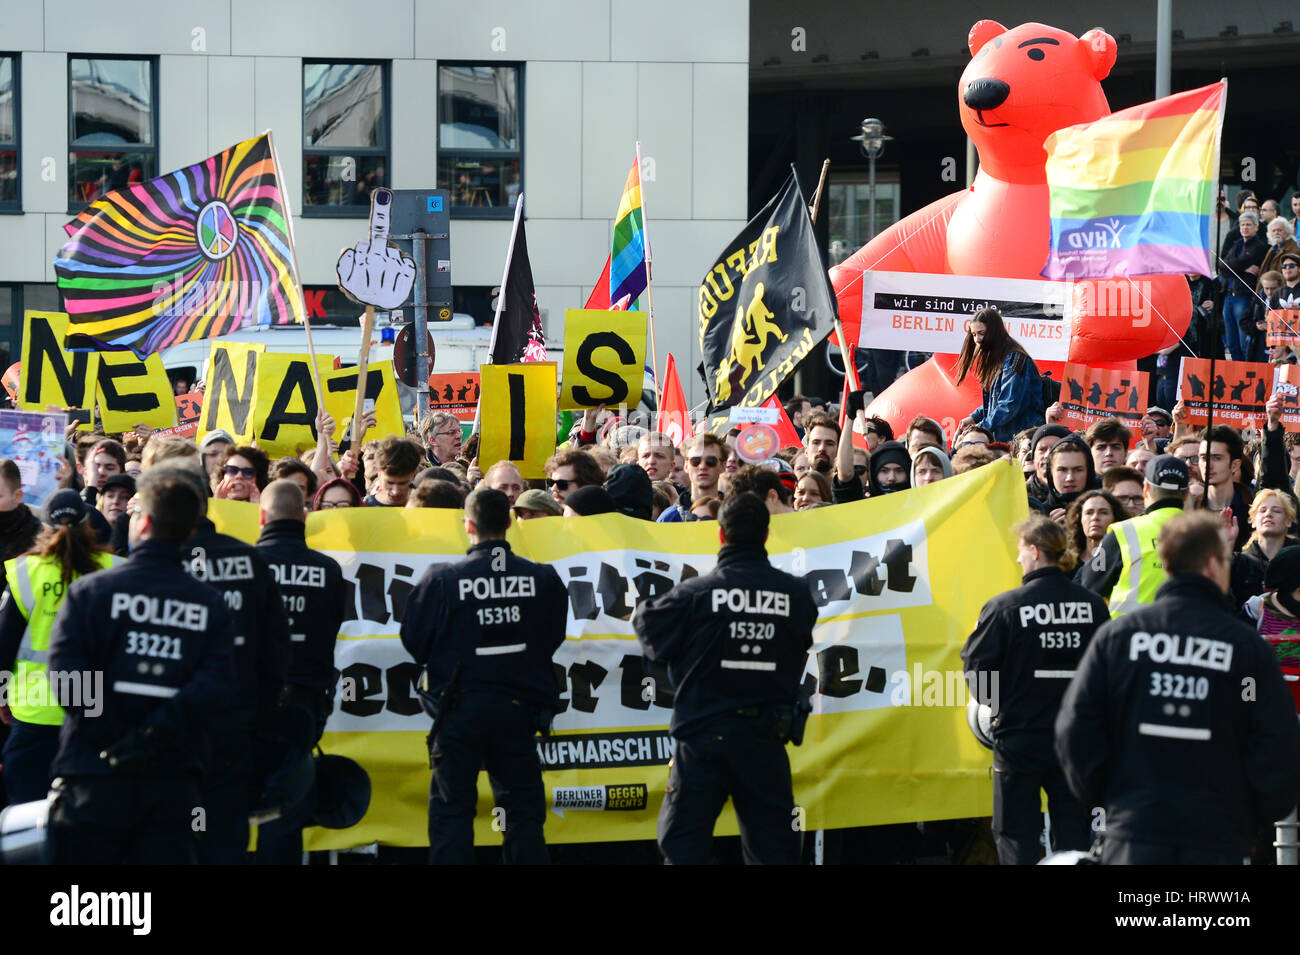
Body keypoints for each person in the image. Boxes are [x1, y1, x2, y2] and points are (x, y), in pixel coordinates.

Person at [1056, 511, 1300, 864]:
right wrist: (1246, 817)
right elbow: (1278, 746)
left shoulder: (1119, 638)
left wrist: (1113, 799)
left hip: (1133, 831)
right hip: (1217, 837)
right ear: (1216, 566)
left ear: (1166, 563)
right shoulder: (1246, 649)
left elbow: (1075, 731)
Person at [46, 468, 236, 864]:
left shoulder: (91, 591)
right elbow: (213, 688)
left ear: (143, 521)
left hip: (93, 775)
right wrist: (151, 737)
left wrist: (109, 736)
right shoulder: (210, 605)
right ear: (186, 532)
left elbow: (67, 673)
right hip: (172, 778)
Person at [632, 492, 817, 864]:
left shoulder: (694, 595)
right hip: (764, 740)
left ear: (720, 536)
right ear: (766, 536)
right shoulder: (796, 595)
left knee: (682, 848)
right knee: (774, 853)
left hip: (702, 740)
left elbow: (647, 627)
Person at [400, 487, 567, 864]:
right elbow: (551, 636)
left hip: (460, 712)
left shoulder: (442, 580)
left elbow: (414, 639)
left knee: (451, 812)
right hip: (518, 711)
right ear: (509, 523)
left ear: (468, 525)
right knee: (520, 814)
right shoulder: (542, 578)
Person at [962, 514, 1109, 864]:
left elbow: (977, 669)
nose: (1017, 559)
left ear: (1034, 552)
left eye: (1020, 551)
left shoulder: (1004, 607)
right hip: (1076, 741)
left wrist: (995, 710)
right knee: (1073, 835)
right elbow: (1110, 672)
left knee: (1015, 833)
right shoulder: (1092, 606)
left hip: (1020, 739)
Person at [177, 465, 290, 865]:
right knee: (224, 835)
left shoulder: (162, 564)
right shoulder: (249, 558)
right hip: (237, 719)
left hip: (174, 728)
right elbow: (276, 647)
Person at [0, 490, 116, 804]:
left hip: (34, 710)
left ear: (43, 527)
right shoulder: (116, 569)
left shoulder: (25, 572)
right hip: (93, 710)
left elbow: (4, 644)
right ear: (88, 524)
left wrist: (1, 697)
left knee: (26, 819)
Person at [253, 479, 347, 864]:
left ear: (261, 517)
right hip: (305, 706)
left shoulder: (244, 566)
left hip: (251, 704)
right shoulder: (328, 570)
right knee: (285, 812)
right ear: (305, 517)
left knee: (231, 805)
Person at [1079, 454, 1188, 614]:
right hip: (1186, 635)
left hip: (1129, 633)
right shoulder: (1208, 535)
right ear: (1186, 494)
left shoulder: (1124, 532)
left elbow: (1089, 583)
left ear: (1146, 489)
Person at [955, 306, 1043, 443]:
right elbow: (996, 401)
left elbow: (1008, 405)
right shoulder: (1000, 358)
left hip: (1021, 439)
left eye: (981, 333)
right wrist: (973, 418)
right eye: (973, 335)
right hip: (1011, 437)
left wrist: (979, 428)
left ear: (994, 332)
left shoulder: (1013, 358)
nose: (977, 339)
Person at [1063, 489, 1125, 573]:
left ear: (1115, 518)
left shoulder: (1124, 561)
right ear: (1079, 519)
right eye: (1089, 513)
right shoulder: (1067, 563)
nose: (1095, 517)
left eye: (1103, 512)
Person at [364, 437, 422, 507]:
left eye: (402, 483)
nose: (395, 492)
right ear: (379, 473)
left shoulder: (424, 504)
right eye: (390, 483)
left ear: (412, 475)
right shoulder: (367, 506)